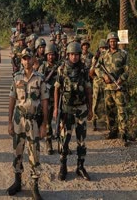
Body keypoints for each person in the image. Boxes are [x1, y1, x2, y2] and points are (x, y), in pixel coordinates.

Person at [7, 49, 48, 200]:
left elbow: (44, 101)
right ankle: (17, 182)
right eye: (24, 58)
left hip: (34, 121)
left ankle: (35, 186)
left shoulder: (40, 78)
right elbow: (12, 99)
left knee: (34, 154)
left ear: (33, 60)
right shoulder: (16, 77)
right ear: (21, 60)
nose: (27, 61)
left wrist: (44, 124)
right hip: (19, 120)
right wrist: (9, 121)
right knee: (17, 151)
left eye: (29, 58)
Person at [53, 42, 92, 181]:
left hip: (81, 109)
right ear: (68, 55)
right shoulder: (62, 69)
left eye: (77, 54)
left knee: (82, 141)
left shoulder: (84, 69)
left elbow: (88, 89)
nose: (74, 57)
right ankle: (63, 167)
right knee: (64, 140)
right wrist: (56, 109)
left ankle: (80, 167)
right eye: (72, 54)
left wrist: (90, 108)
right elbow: (57, 88)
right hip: (67, 110)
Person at [95, 32, 129, 146]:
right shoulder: (104, 54)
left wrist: (121, 79)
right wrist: (103, 76)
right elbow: (96, 68)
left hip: (119, 87)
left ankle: (124, 134)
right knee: (110, 111)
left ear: (117, 41)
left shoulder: (123, 54)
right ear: (108, 42)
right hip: (108, 88)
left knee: (121, 111)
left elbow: (128, 70)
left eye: (114, 40)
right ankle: (113, 131)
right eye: (111, 41)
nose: (113, 42)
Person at [38, 43, 59, 155]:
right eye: (49, 55)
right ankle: (48, 142)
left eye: (52, 54)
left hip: (59, 97)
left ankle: (61, 143)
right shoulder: (43, 67)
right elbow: (40, 82)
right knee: (48, 121)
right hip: (47, 98)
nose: (51, 57)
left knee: (61, 122)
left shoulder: (59, 67)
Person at [89, 39, 108, 131]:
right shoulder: (95, 58)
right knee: (95, 102)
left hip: (107, 83)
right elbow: (92, 71)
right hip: (97, 82)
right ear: (99, 49)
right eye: (102, 48)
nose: (103, 49)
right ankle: (94, 122)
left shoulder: (109, 57)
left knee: (107, 102)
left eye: (105, 48)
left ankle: (107, 122)